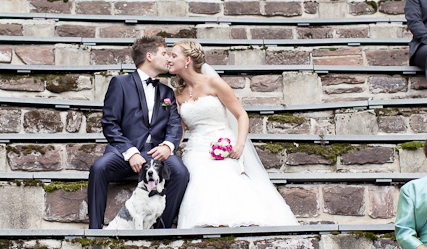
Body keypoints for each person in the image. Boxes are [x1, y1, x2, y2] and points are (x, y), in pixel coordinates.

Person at [167, 40, 297, 228]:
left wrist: (239, 145)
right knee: (197, 175)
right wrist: (170, 149)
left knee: (222, 174)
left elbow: (241, 115)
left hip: (222, 142)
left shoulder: (214, 83)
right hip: (195, 148)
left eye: (173, 55)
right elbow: (180, 130)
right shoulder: (178, 94)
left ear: (187, 60)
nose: (169, 60)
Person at [87, 35, 189, 229]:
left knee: (181, 173)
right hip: (125, 152)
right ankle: (95, 230)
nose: (168, 58)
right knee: (98, 169)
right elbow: (110, 123)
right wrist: (130, 151)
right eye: (164, 53)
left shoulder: (167, 92)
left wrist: (168, 146)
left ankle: (161, 229)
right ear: (149, 56)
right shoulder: (120, 83)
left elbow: (175, 125)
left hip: (157, 154)